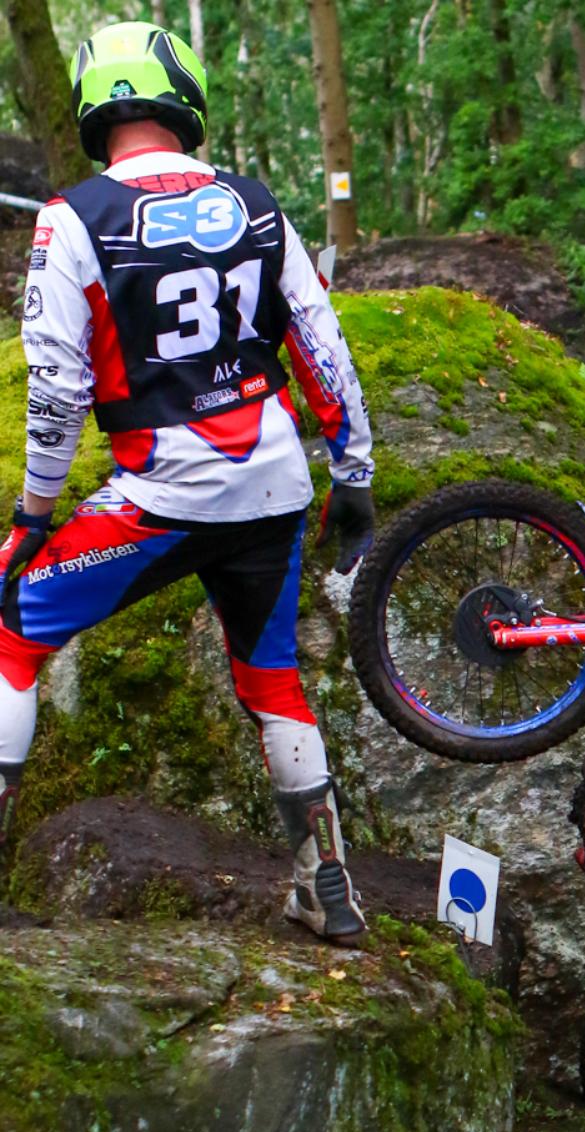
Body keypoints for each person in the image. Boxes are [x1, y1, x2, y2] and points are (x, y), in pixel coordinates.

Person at [2, 22, 375, 945]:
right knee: (272, 678)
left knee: (8, 632)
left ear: (95, 105)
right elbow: (321, 345)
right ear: (183, 97)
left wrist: (31, 516)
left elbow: (54, 392)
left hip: (163, 493)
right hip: (277, 486)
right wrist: (354, 471)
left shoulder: (72, 216)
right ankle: (328, 890)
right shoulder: (256, 205)